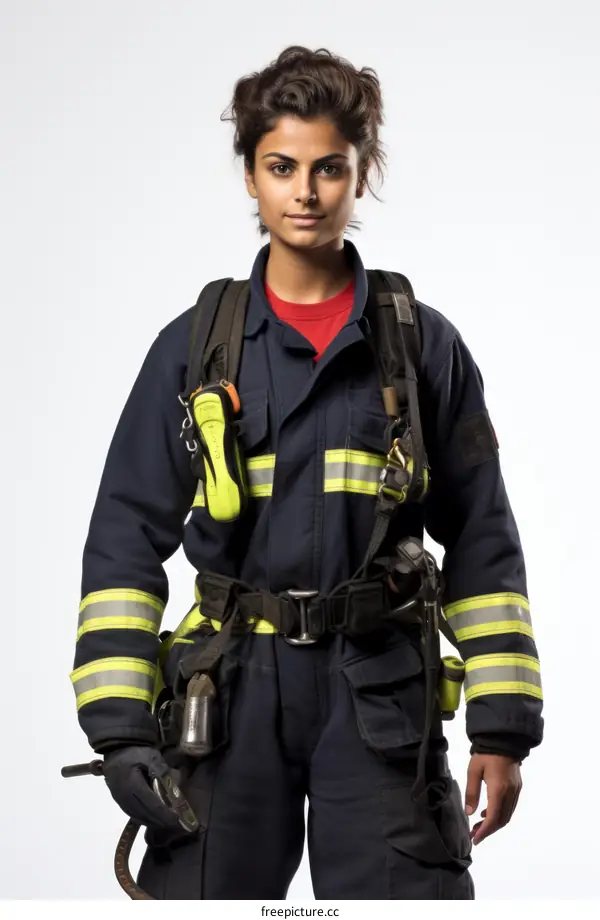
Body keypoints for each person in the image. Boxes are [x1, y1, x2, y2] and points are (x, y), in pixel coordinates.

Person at [70, 45, 543, 900]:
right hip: (228, 700)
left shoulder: (421, 345)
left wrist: (502, 729)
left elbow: (483, 538)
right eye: (282, 166)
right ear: (250, 175)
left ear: (363, 175)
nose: (307, 191)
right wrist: (120, 730)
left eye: (331, 168)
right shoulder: (194, 347)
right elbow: (122, 539)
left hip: (382, 698)